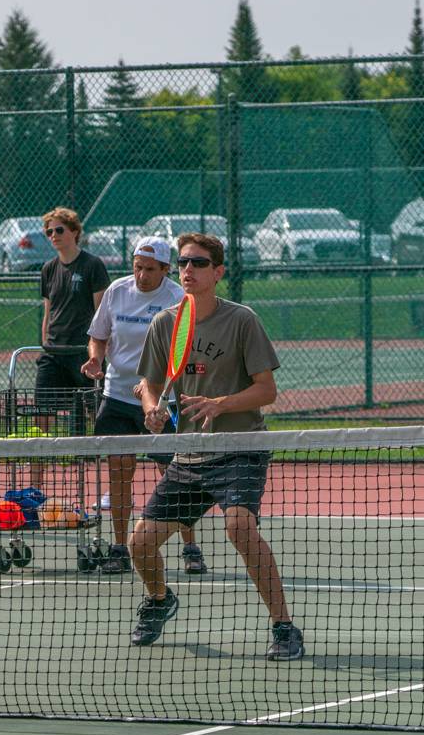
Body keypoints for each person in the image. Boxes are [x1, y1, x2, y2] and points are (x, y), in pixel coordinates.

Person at [130, 233, 304, 661]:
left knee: (239, 527)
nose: (188, 269)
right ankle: (159, 599)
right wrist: (152, 409)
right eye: (184, 262)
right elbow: (150, 384)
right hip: (189, 453)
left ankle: (284, 627)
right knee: (139, 544)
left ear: (218, 271)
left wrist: (220, 403)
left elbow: (267, 390)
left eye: (199, 263)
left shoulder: (242, 320)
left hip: (240, 447)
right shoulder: (165, 323)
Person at [81, 236, 203, 576]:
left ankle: (190, 547)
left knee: (175, 474)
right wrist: (95, 359)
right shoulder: (117, 291)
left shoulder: (178, 299)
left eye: (150, 269)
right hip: (117, 397)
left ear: (165, 269)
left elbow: (184, 352)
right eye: (137, 267)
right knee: (119, 471)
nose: (141, 275)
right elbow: (99, 336)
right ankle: (120, 548)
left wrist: (154, 388)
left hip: (163, 403)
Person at [33, 207, 108, 484]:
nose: (53, 235)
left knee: (97, 417)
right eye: (49, 232)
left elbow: (102, 313)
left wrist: (97, 351)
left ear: (74, 231)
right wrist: (45, 342)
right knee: (41, 418)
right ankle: (36, 488)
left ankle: (100, 487)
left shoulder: (92, 265)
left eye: (59, 230)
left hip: (83, 354)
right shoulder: (48, 269)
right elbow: (48, 310)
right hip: (54, 354)